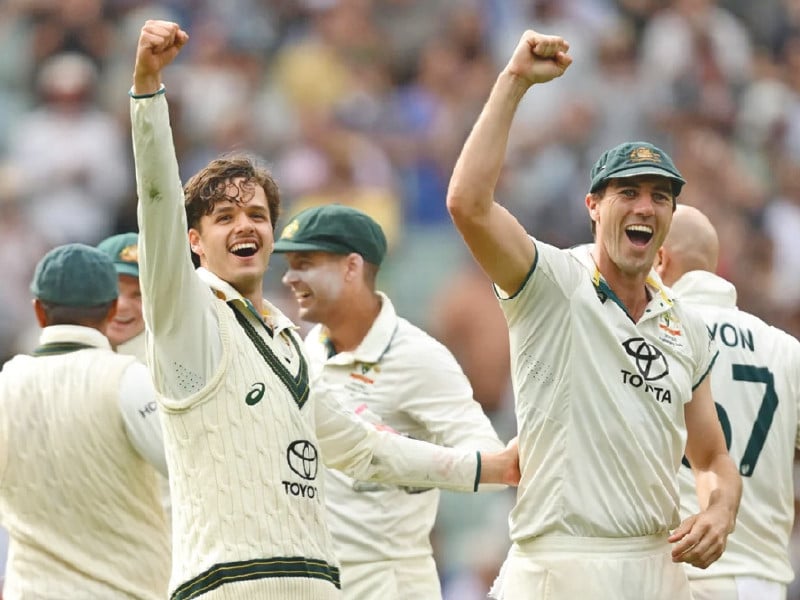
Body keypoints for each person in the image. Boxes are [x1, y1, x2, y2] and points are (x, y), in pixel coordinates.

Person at [130, 19, 519, 600]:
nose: (245, 226)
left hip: (317, 583)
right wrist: (147, 92)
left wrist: (488, 467)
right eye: (225, 217)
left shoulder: (289, 340)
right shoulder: (188, 319)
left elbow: (363, 448)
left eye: (257, 215)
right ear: (193, 242)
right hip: (230, 583)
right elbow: (158, 205)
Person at [445, 29, 742, 600]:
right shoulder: (551, 282)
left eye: (660, 196)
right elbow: (468, 205)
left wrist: (720, 509)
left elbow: (712, 456)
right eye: (627, 191)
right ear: (593, 206)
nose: (644, 206)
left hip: (658, 567)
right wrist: (513, 83)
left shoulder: (687, 326)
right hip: (560, 565)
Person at [272, 203, 508, 600]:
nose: (289, 278)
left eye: (305, 263)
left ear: (351, 267)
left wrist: (389, 452)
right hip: (317, 579)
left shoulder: (417, 356)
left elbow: (489, 462)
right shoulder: (306, 351)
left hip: (390, 583)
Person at [0, 243, 169, 598]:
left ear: (39, 312)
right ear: (111, 310)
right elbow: (186, 473)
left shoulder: (5, 385)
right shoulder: (129, 379)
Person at [655, 205, 800, 600]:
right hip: (765, 583)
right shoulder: (787, 351)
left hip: (681, 578)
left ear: (660, 259)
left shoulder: (648, 337)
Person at [97, 232, 146, 361]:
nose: (122, 306)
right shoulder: (59, 362)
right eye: (111, 291)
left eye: (139, 295)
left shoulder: (172, 371)